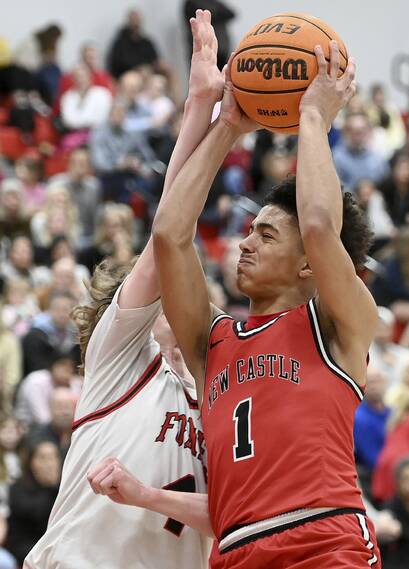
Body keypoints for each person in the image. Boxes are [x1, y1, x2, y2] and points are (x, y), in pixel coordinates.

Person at [89, 37, 381, 567]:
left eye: (267, 236)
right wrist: (228, 125)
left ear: (310, 264)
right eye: (249, 231)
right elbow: (170, 236)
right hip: (236, 550)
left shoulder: (339, 323)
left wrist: (314, 118)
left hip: (323, 539)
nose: (245, 243)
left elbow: (318, 225)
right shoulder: (214, 342)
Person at [24, 10, 221, 568]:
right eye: (168, 290)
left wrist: (147, 496)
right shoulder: (122, 357)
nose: (186, 290)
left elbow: (233, 515)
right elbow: (167, 240)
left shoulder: (217, 394)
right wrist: (203, 110)